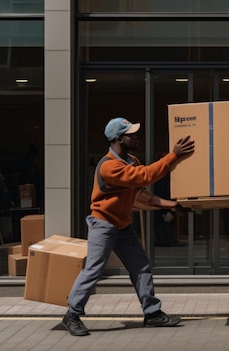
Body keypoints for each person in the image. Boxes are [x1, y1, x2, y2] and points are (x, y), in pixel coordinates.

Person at [62, 116, 194, 337]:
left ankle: (152, 314)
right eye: (131, 134)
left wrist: (173, 205)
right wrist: (174, 155)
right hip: (103, 224)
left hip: (122, 225)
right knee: (93, 270)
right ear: (118, 139)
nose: (136, 137)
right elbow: (146, 176)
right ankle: (72, 315)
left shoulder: (131, 160)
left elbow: (141, 195)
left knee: (140, 267)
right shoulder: (108, 167)